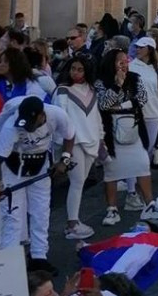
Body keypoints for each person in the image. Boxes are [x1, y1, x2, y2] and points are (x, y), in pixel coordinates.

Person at [0, 96, 75, 275]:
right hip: (12, 165)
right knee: (12, 215)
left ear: (42, 116)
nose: (26, 127)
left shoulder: (57, 115)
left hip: (41, 164)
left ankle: (39, 257)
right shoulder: (10, 127)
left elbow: (70, 136)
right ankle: (10, 261)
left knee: (41, 212)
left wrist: (64, 160)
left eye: (30, 123)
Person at [95, 49, 156, 226]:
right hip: (111, 133)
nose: (124, 64)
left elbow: (142, 99)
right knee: (112, 170)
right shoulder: (101, 82)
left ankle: (149, 204)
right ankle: (112, 209)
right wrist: (117, 86)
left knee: (143, 164)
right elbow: (103, 104)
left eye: (126, 60)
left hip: (134, 129)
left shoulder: (135, 78)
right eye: (119, 61)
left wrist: (120, 105)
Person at [51, 53, 103, 240]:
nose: (76, 72)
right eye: (73, 68)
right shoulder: (62, 91)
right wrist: (62, 147)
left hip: (92, 141)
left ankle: (74, 221)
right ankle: (72, 223)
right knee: (77, 182)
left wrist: (101, 140)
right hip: (74, 142)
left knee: (79, 183)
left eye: (80, 69)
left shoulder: (92, 89)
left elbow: (96, 118)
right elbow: (60, 118)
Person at [129, 36, 158, 164]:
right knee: (134, 150)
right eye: (137, 47)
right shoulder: (131, 67)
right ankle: (132, 180)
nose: (138, 49)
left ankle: (142, 179)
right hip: (134, 115)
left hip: (153, 115)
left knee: (148, 149)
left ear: (150, 49)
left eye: (142, 47)